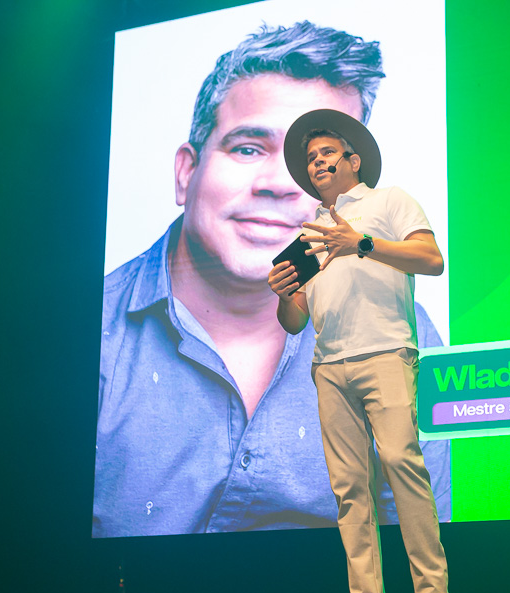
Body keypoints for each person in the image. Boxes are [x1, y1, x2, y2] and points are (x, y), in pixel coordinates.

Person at [93, 22, 450, 538]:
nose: (280, 184)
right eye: (248, 149)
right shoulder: (89, 332)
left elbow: (421, 549)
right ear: (186, 173)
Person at [268, 109, 457, 593]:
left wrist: (362, 243)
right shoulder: (309, 233)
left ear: (353, 160)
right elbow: (294, 321)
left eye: (328, 152)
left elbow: (431, 260)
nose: (318, 162)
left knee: (402, 464)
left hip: (386, 351)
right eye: (311, 158)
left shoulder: (390, 201)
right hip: (329, 365)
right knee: (349, 489)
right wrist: (284, 292)